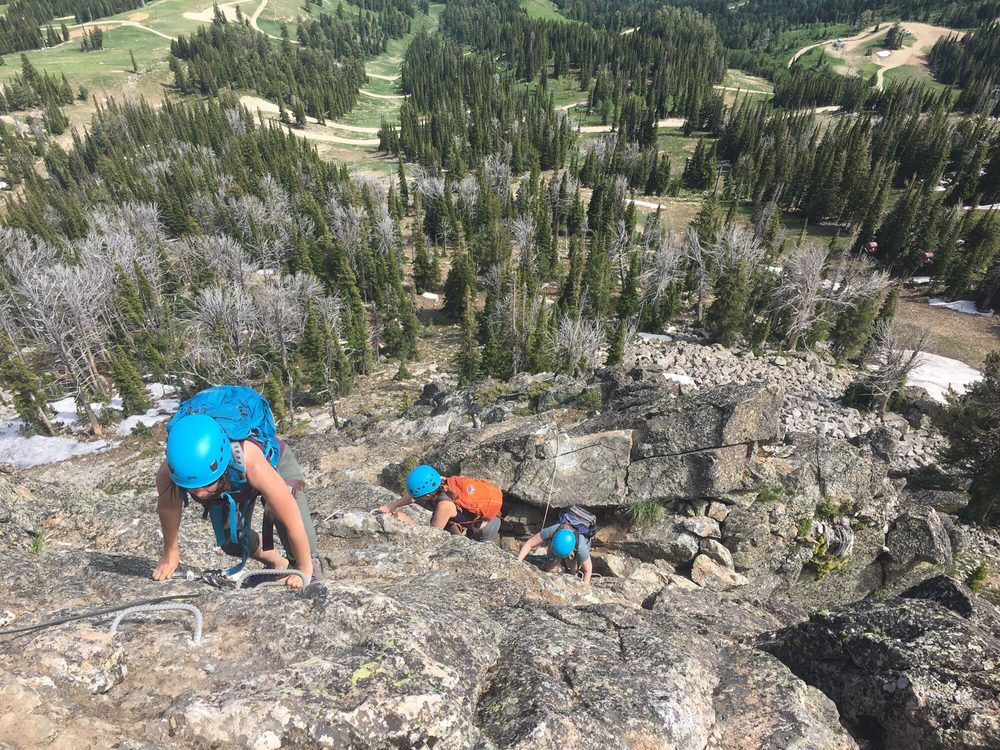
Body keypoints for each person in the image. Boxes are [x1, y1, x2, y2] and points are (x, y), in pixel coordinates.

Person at [152, 385, 317, 589]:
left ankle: (299, 566)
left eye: (205, 485)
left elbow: (290, 515)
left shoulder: (249, 460)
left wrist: (303, 569)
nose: (200, 494)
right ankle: (277, 564)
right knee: (232, 543)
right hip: (229, 483)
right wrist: (170, 552)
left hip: (274, 464)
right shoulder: (171, 470)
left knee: (305, 549)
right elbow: (169, 507)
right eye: (192, 489)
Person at [377, 465, 503, 542]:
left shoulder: (444, 506)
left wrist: (405, 520)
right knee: (450, 524)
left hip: (485, 529)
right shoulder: (442, 481)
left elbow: (431, 535)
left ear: (427, 495)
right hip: (489, 517)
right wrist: (391, 506)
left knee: (470, 546)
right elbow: (414, 496)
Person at [517, 505, 597, 585]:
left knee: (573, 566)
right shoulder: (553, 530)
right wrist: (517, 562)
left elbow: (588, 570)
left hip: (574, 551)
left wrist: (584, 587)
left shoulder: (581, 546)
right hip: (560, 546)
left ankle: (573, 572)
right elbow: (529, 544)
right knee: (550, 569)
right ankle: (562, 568)